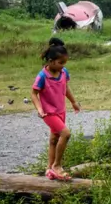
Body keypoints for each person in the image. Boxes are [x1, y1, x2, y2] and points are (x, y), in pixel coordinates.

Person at [31, 38, 80, 181]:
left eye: (65, 63)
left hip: (60, 111)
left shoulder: (64, 72)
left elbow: (66, 88)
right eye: (60, 62)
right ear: (50, 61)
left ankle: (49, 168)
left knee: (54, 139)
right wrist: (39, 109)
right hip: (48, 113)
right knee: (66, 133)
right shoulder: (42, 76)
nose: (63, 66)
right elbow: (34, 93)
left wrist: (74, 102)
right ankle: (57, 166)